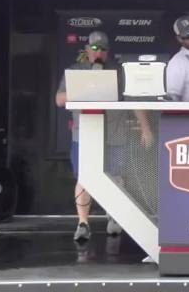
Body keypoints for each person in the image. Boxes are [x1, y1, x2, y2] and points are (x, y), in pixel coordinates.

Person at [56, 30, 152, 241]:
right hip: (85, 136)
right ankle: (83, 223)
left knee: (116, 177)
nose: (98, 52)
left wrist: (145, 128)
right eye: (95, 48)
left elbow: (134, 101)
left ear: (108, 51)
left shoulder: (118, 72)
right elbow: (59, 99)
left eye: (103, 49)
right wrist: (85, 90)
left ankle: (114, 218)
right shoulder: (75, 71)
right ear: (87, 49)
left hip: (115, 135)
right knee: (84, 179)